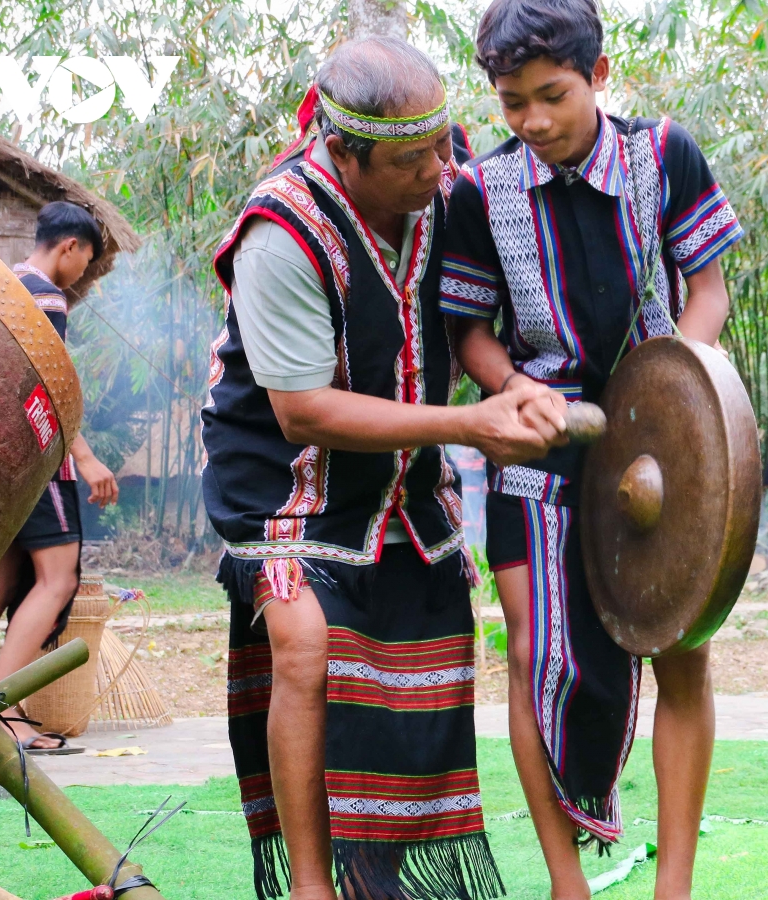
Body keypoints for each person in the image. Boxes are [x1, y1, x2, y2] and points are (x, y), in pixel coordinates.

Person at [203, 37, 565, 900]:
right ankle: (313, 887)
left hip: (402, 488)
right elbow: (303, 410)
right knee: (305, 645)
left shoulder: (445, 175)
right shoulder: (281, 231)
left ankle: (377, 877)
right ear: (343, 151)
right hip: (284, 485)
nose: (441, 171)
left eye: (444, 144)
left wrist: (512, 389)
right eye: (412, 158)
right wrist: (470, 424)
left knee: (417, 664)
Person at [439, 0, 744, 896]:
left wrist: (683, 396)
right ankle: (566, 884)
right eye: (510, 102)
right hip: (538, 447)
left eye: (552, 95)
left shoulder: (664, 154)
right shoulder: (475, 190)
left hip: (668, 441)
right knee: (538, 658)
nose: (532, 120)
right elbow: (470, 331)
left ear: (600, 75)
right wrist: (511, 388)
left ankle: (673, 884)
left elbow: (709, 288)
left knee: (684, 647)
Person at [0, 201, 120, 755]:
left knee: (2, 576)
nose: (81, 276)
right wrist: (89, 460)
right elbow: (42, 391)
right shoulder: (44, 297)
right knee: (58, 578)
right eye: (86, 261)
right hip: (38, 460)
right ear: (70, 247)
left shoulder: (4, 285)